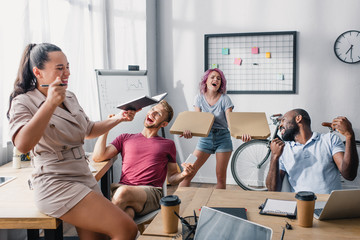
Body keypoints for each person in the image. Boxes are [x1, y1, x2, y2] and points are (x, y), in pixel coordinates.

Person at [7, 43, 138, 240]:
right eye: (60, 68)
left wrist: (118, 118)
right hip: (55, 181)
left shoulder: (70, 96)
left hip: (82, 175)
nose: (67, 73)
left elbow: (88, 130)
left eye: (67, 67)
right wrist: (50, 104)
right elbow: (22, 145)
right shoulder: (23, 102)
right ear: (37, 72)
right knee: (127, 229)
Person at [92, 100, 194, 219]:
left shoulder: (168, 144)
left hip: (151, 193)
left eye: (158, 114)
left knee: (122, 193)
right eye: (152, 110)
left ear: (164, 124)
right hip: (122, 191)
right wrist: (108, 125)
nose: (152, 113)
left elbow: (172, 178)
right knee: (127, 215)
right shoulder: (125, 138)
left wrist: (184, 174)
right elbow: (98, 157)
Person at [179, 68, 250, 189]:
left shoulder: (225, 99)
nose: (215, 80)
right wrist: (189, 131)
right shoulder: (199, 98)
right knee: (188, 174)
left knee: (221, 178)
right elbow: (198, 121)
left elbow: (230, 122)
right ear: (206, 81)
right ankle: (179, 204)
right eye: (212, 77)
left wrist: (242, 134)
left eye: (218, 78)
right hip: (205, 138)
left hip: (223, 138)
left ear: (220, 84)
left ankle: (217, 207)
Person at [266, 108, 359, 194]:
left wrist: (349, 135)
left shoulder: (329, 139)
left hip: (329, 206)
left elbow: (349, 175)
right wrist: (274, 156)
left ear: (298, 118)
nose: (280, 125)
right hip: (301, 207)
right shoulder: (284, 149)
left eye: (283, 120)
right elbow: (273, 189)